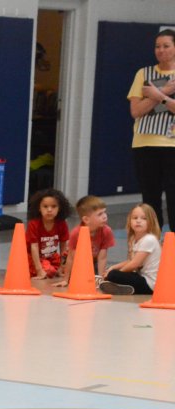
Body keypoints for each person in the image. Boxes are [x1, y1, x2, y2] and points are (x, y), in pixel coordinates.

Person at [127, 29, 175, 231]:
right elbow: (136, 111)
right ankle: (152, 242)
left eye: (166, 46)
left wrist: (160, 97)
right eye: (157, 46)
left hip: (171, 144)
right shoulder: (143, 73)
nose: (161, 50)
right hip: (144, 143)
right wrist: (163, 91)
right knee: (150, 196)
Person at [99, 203, 162, 295]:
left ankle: (122, 286)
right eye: (135, 218)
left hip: (151, 284)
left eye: (144, 218)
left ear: (151, 222)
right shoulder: (134, 239)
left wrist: (117, 273)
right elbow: (131, 260)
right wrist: (113, 267)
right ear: (130, 221)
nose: (138, 221)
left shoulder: (149, 239)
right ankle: (124, 288)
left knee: (113, 275)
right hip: (142, 278)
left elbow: (135, 264)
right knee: (112, 272)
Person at [54, 196, 115, 288]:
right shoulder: (76, 233)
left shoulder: (106, 231)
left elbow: (102, 258)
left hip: (93, 262)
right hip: (77, 261)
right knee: (79, 279)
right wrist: (65, 280)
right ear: (86, 219)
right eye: (100, 214)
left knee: (106, 276)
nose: (105, 216)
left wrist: (100, 278)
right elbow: (70, 257)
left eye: (104, 212)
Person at [25, 188, 71, 279]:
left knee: (72, 267)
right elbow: (33, 247)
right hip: (33, 258)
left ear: (59, 208)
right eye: (45, 206)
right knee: (50, 271)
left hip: (51, 257)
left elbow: (63, 247)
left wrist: (62, 266)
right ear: (39, 208)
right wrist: (39, 270)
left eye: (54, 206)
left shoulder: (61, 223)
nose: (49, 210)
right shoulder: (34, 224)